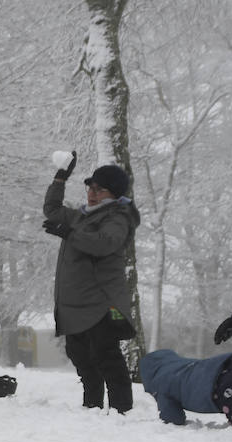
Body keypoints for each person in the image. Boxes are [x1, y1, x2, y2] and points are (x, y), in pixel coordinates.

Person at [42, 152, 140, 413]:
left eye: (100, 190)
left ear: (115, 195)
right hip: (77, 304)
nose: (92, 193)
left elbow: (105, 243)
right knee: (80, 356)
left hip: (103, 303)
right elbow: (51, 211)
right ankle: (93, 406)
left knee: (105, 355)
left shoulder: (118, 217)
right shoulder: (81, 216)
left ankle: (122, 411)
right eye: (90, 187)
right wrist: (60, 178)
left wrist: (69, 234)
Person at [140, 348, 232, 426]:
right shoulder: (180, 366)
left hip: (220, 384)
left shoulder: (161, 384)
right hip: (227, 363)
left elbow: (174, 418)